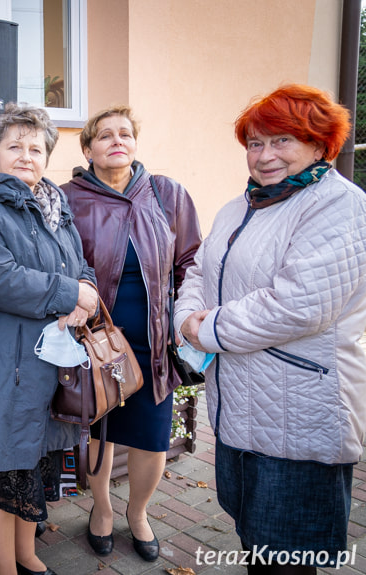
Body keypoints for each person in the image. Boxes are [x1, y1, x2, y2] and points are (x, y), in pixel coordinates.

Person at [174, 84, 366, 574]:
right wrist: (185, 317)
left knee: (287, 552)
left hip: (300, 406)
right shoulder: (243, 205)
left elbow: (299, 304)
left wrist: (206, 328)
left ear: (320, 143)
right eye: (255, 143)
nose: (265, 156)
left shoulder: (338, 205)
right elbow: (200, 269)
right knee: (256, 537)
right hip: (245, 404)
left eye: (282, 140)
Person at [0, 102, 98, 575]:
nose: (26, 155)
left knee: (28, 464)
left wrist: (86, 289)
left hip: (45, 366)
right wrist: (70, 292)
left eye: (36, 147)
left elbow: (79, 264)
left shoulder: (56, 208)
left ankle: (27, 553)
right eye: (14, 145)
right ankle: (4, 566)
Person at [60, 105, 202, 562]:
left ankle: (138, 513)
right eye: (104, 135)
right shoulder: (68, 198)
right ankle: (101, 510)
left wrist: (186, 318)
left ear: (136, 143)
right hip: (97, 345)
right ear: (88, 149)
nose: (116, 141)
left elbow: (190, 264)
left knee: (151, 437)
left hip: (155, 343)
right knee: (102, 433)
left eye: (125, 134)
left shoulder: (167, 194)